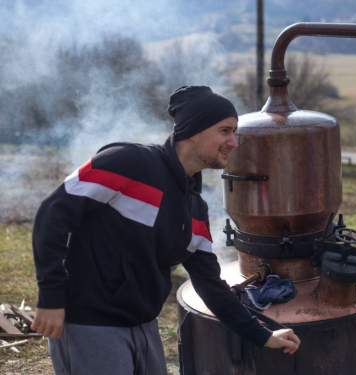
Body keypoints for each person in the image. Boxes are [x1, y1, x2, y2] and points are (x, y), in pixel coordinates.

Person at [31, 86, 300, 375]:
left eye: (233, 132)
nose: (233, 142)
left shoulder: (195, 208)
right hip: (90, 324)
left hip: (145, 326)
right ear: (193, 131)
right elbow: (52, 216)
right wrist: (51, 297)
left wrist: (262, 335)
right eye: (224, 131)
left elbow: (209, 283)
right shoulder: (127, 162)